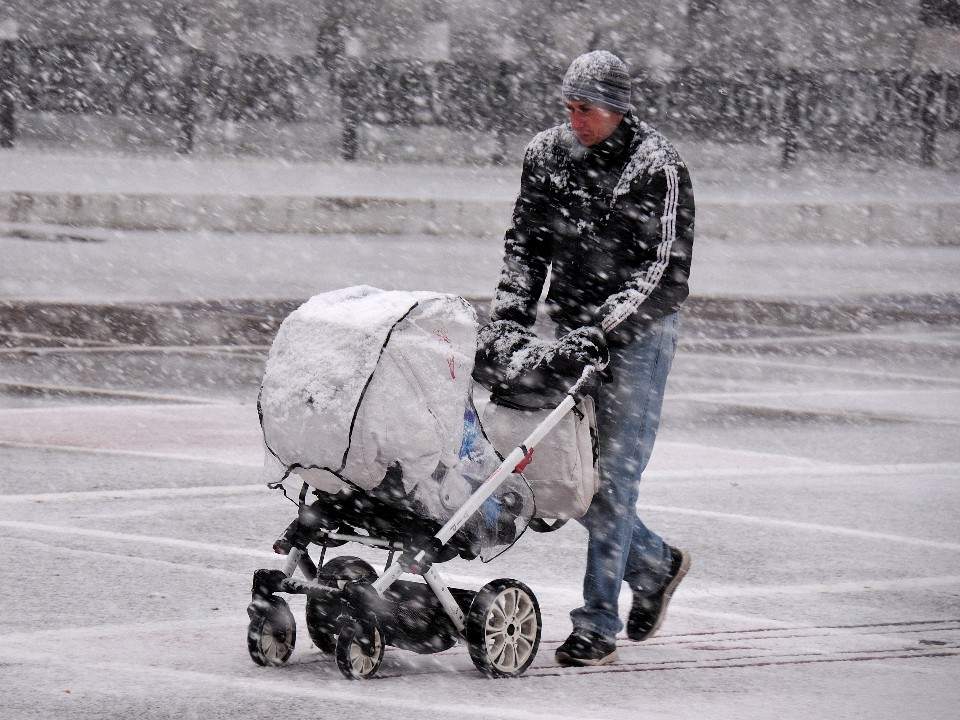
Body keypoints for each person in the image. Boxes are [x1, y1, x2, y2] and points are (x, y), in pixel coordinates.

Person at [485, 50, 694, 666]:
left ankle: (597, 622)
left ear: (619, 108)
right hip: (572, 327)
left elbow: (663, 271)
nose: (576, 120)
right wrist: (510, 321)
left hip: (638, 337)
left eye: (588, 109)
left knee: (616, 476)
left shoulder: (658, 166)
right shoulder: (546, 155)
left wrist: (606, 329)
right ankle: (653, 565)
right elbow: (525, 243)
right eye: (570, 108)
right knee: (565, 470)